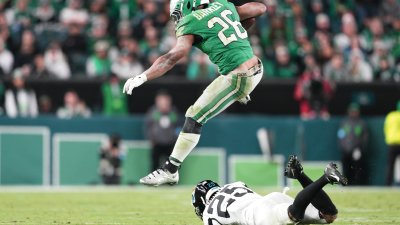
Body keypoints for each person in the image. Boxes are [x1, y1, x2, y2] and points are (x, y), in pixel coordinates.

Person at [123, 0, 266, 186]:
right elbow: (260, 9)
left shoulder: (190, 21)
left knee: (194, 117)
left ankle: (170, 170)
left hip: (240, 76)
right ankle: (239, 92)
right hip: (257, 69)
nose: (177, 19)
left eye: (177, 14)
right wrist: (236, 20)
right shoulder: (224, 5)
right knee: (221, 71)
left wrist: (144, 76)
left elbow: (172, 57)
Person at [192, 155, 347, 225]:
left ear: (203, 200)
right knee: (329, 215)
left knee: (293, 215)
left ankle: (326, 177)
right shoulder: (233, 185)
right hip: (272, 199)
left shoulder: (208, 214)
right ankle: (299, 175)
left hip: (260, 215)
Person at [145, 90, 180, 171]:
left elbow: (178, 126)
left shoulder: (173, 112)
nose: (164, 103)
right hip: (157, 143)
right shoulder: (153, 111)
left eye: (166, 100)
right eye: (161, 100)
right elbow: (148, 126)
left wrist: (175, 139)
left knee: (171, 166)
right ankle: (153, 182)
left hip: (170, 143)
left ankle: (170, 182)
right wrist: (151, 139)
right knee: (154, 165)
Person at [337, 103, 369, 185]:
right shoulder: (344, 122)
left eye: (355, 111)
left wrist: (360, 149)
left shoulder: (361, 123)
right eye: (352, 111)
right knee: (346, 169)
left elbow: (365, 138)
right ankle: (345, 184)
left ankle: (357, 184)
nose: (354, 113)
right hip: (346, 150)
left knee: (357, 169)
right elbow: (340, 136)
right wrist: (343, 147)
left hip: (356, 150)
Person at [384, 100, 400, 186]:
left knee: (390, 165)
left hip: (391, 143)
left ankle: (388, 184)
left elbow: (386, 128)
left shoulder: (390, 116)